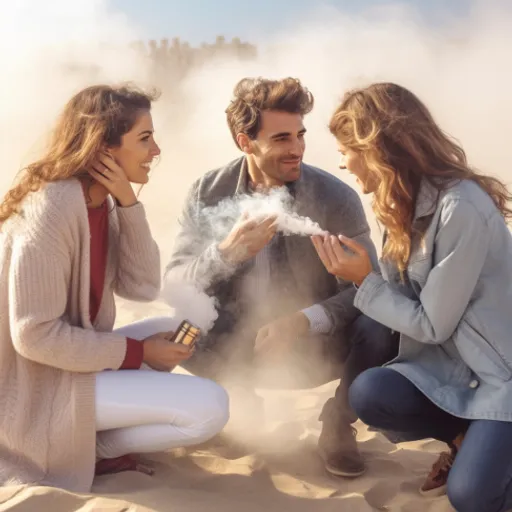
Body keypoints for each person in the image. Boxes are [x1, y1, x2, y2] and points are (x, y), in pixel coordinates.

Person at [163, 77, 398, 478]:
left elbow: (368, 289)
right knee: (176, 325)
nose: (297, 149)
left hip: (314, 343)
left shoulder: (335, 197)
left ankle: (339, 424)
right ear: (245, 142)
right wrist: (226, 254)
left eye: (300, 135)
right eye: (282, 138)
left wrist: (302, 320)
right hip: (235, 342)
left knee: (382, 323)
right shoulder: (207, 191)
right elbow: (175, 283)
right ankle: (239, 400)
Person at [0, 84, 229, 493]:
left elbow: (142, 287)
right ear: (102, 149)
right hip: (35, 386)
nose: (155, 150)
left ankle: (89, 441)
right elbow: (34, 337)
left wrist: (128, 203)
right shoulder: (50, 210)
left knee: (177, 323)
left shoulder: (99, 201)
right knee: (210, 409)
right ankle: (93, 448)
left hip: (67, 363)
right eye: (144, 139)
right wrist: (138, 353)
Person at [313, 82, 512, 512]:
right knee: (370, 393)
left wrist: (364, 281)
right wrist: (363, 277)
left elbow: (431, 323)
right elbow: (400, 307)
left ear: (377, 149)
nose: (342, 161)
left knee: (472, 496)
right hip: (458, 368)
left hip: (501, 376)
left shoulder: (460, 208)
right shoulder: (397, 207)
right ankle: (463, 438)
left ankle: (488, 449)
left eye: (347, 149)